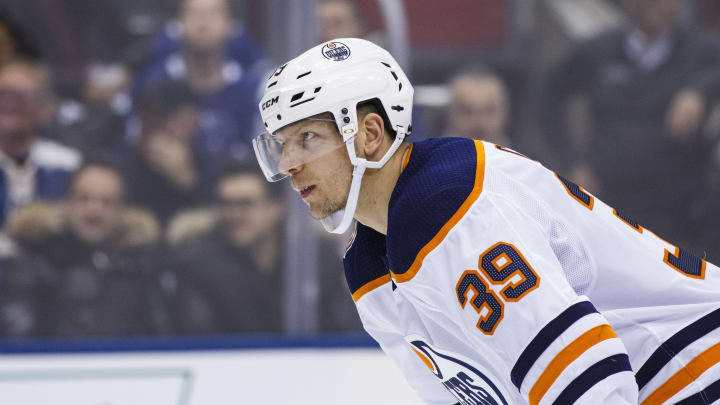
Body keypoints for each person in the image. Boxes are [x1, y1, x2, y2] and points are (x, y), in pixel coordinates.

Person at [252, 38, 720, 404]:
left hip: (695, 373)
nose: (289, 163)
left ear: (370, 133)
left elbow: (588, 372)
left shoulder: (448, 202)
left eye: (307, 137)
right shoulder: (369, 264)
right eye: (282, 144)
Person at [537, 0, 720, 253]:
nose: (654, 7)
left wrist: (700, 89)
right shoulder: (599, 51)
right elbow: (547, 96)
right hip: (610, 207)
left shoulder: (700, 52)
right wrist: (571, 162)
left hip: (679, 212)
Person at [167, 162, 362, 334]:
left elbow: (339, 327)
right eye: (226, 205)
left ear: (276, 208)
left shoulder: (313, 260)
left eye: (245, 205)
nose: (233, 215)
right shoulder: (200, 265)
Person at [6, 160, 171, 336]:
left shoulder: (142, 268)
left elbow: (162, 337)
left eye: (106, 202)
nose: (94, 211)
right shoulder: (34, 262)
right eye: (84, 199)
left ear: (122, 210)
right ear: (68, 203)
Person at [0, 58, 80, 227]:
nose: (8, 103)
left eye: (19, 96)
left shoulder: (67, 165)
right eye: (2, 94)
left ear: (42, 106)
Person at [444, 65, 511, 145]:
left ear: (504, 113)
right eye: (467, 111)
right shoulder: (429, 156)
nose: (478, 123)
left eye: (489, 111)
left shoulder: (526, 156)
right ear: (448, 114)